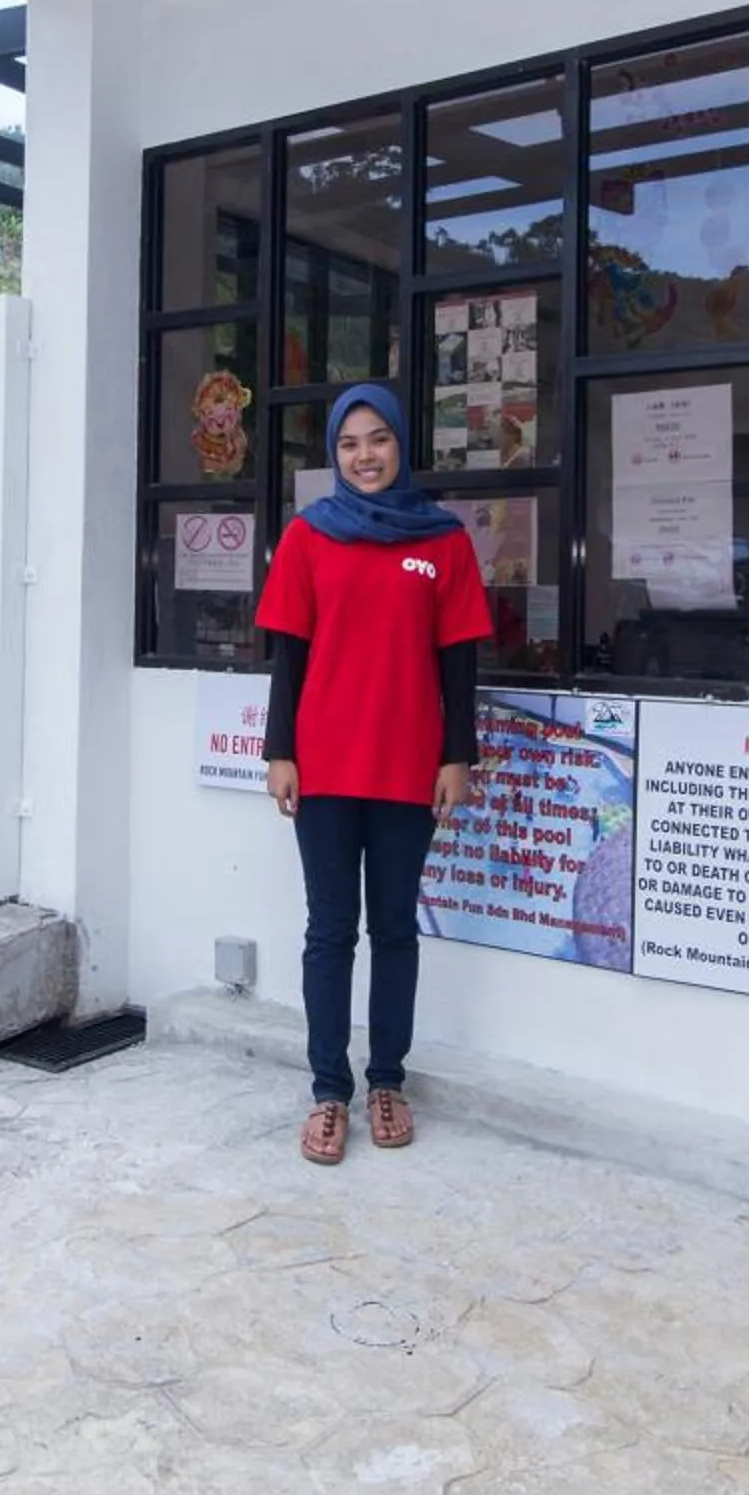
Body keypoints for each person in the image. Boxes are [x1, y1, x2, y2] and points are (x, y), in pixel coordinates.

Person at [257, 384, 491, 1166]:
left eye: (379, 439)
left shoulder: (445, 541)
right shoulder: (307, 537)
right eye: (351, 442)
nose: (365, 455)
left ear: (402, 445)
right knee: (330, 933)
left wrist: (460, 755)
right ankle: (330, 1092)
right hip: (323, 768)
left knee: (394, 931)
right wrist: (278, 751)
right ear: (334, 452)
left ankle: (387, 1079)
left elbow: (460, 663)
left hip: (409, 768)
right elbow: (287, 656)